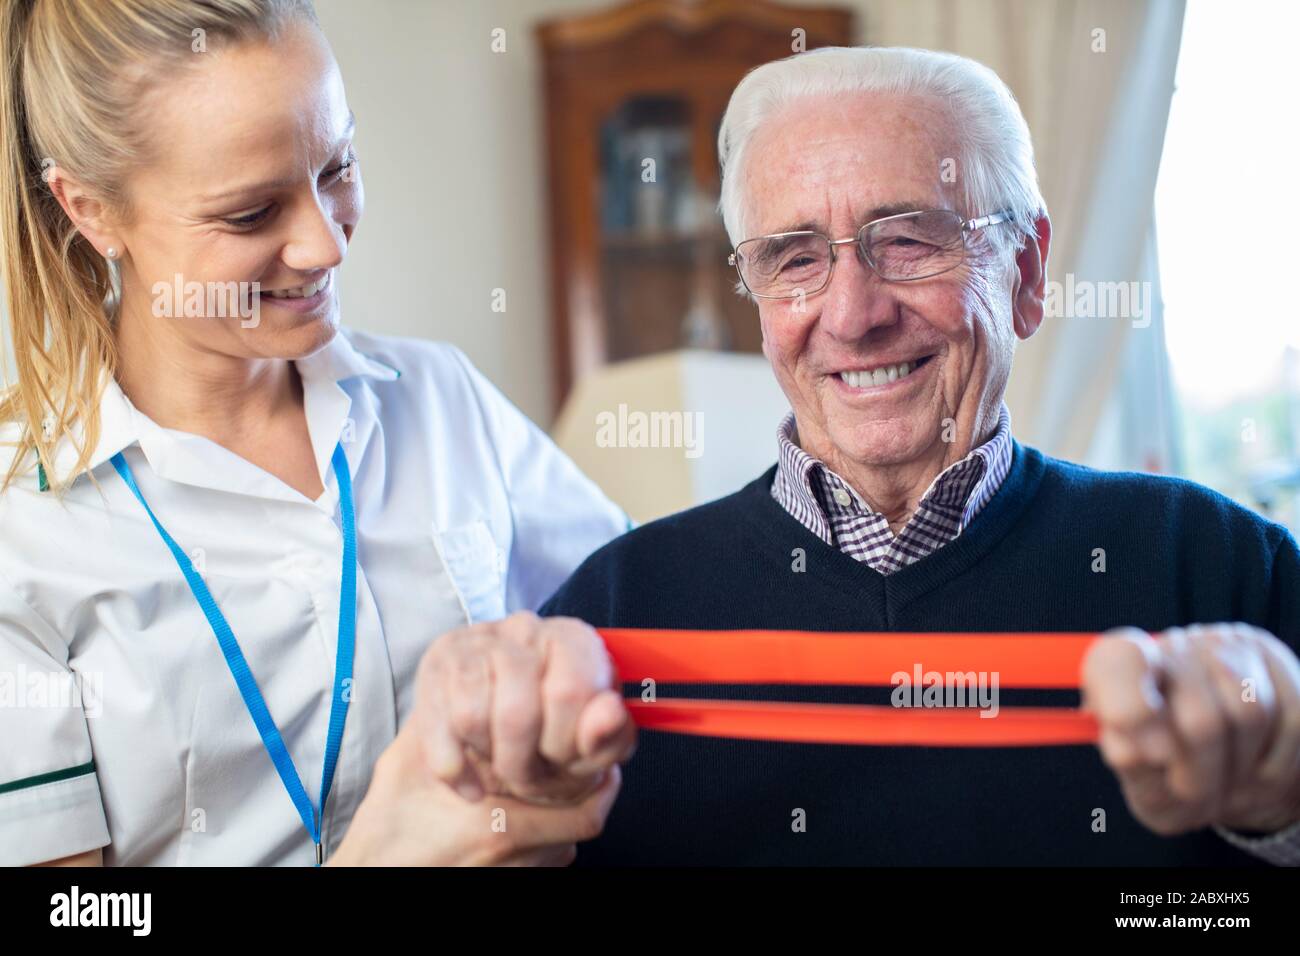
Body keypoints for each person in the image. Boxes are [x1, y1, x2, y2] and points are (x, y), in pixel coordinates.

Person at [539, 46, 1300, 865]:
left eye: (905, 240)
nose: (852, 314)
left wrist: (1279, 814)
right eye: (794, 259)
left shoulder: (1224, 570)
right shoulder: (610, 617)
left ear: (1029, 273)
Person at [0, 0, 635, 866]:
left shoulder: (441, 399)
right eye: (250, 214)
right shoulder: (22, 527)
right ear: (90, 209)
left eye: (338, 166)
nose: (325, 244)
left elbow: (640, 624)